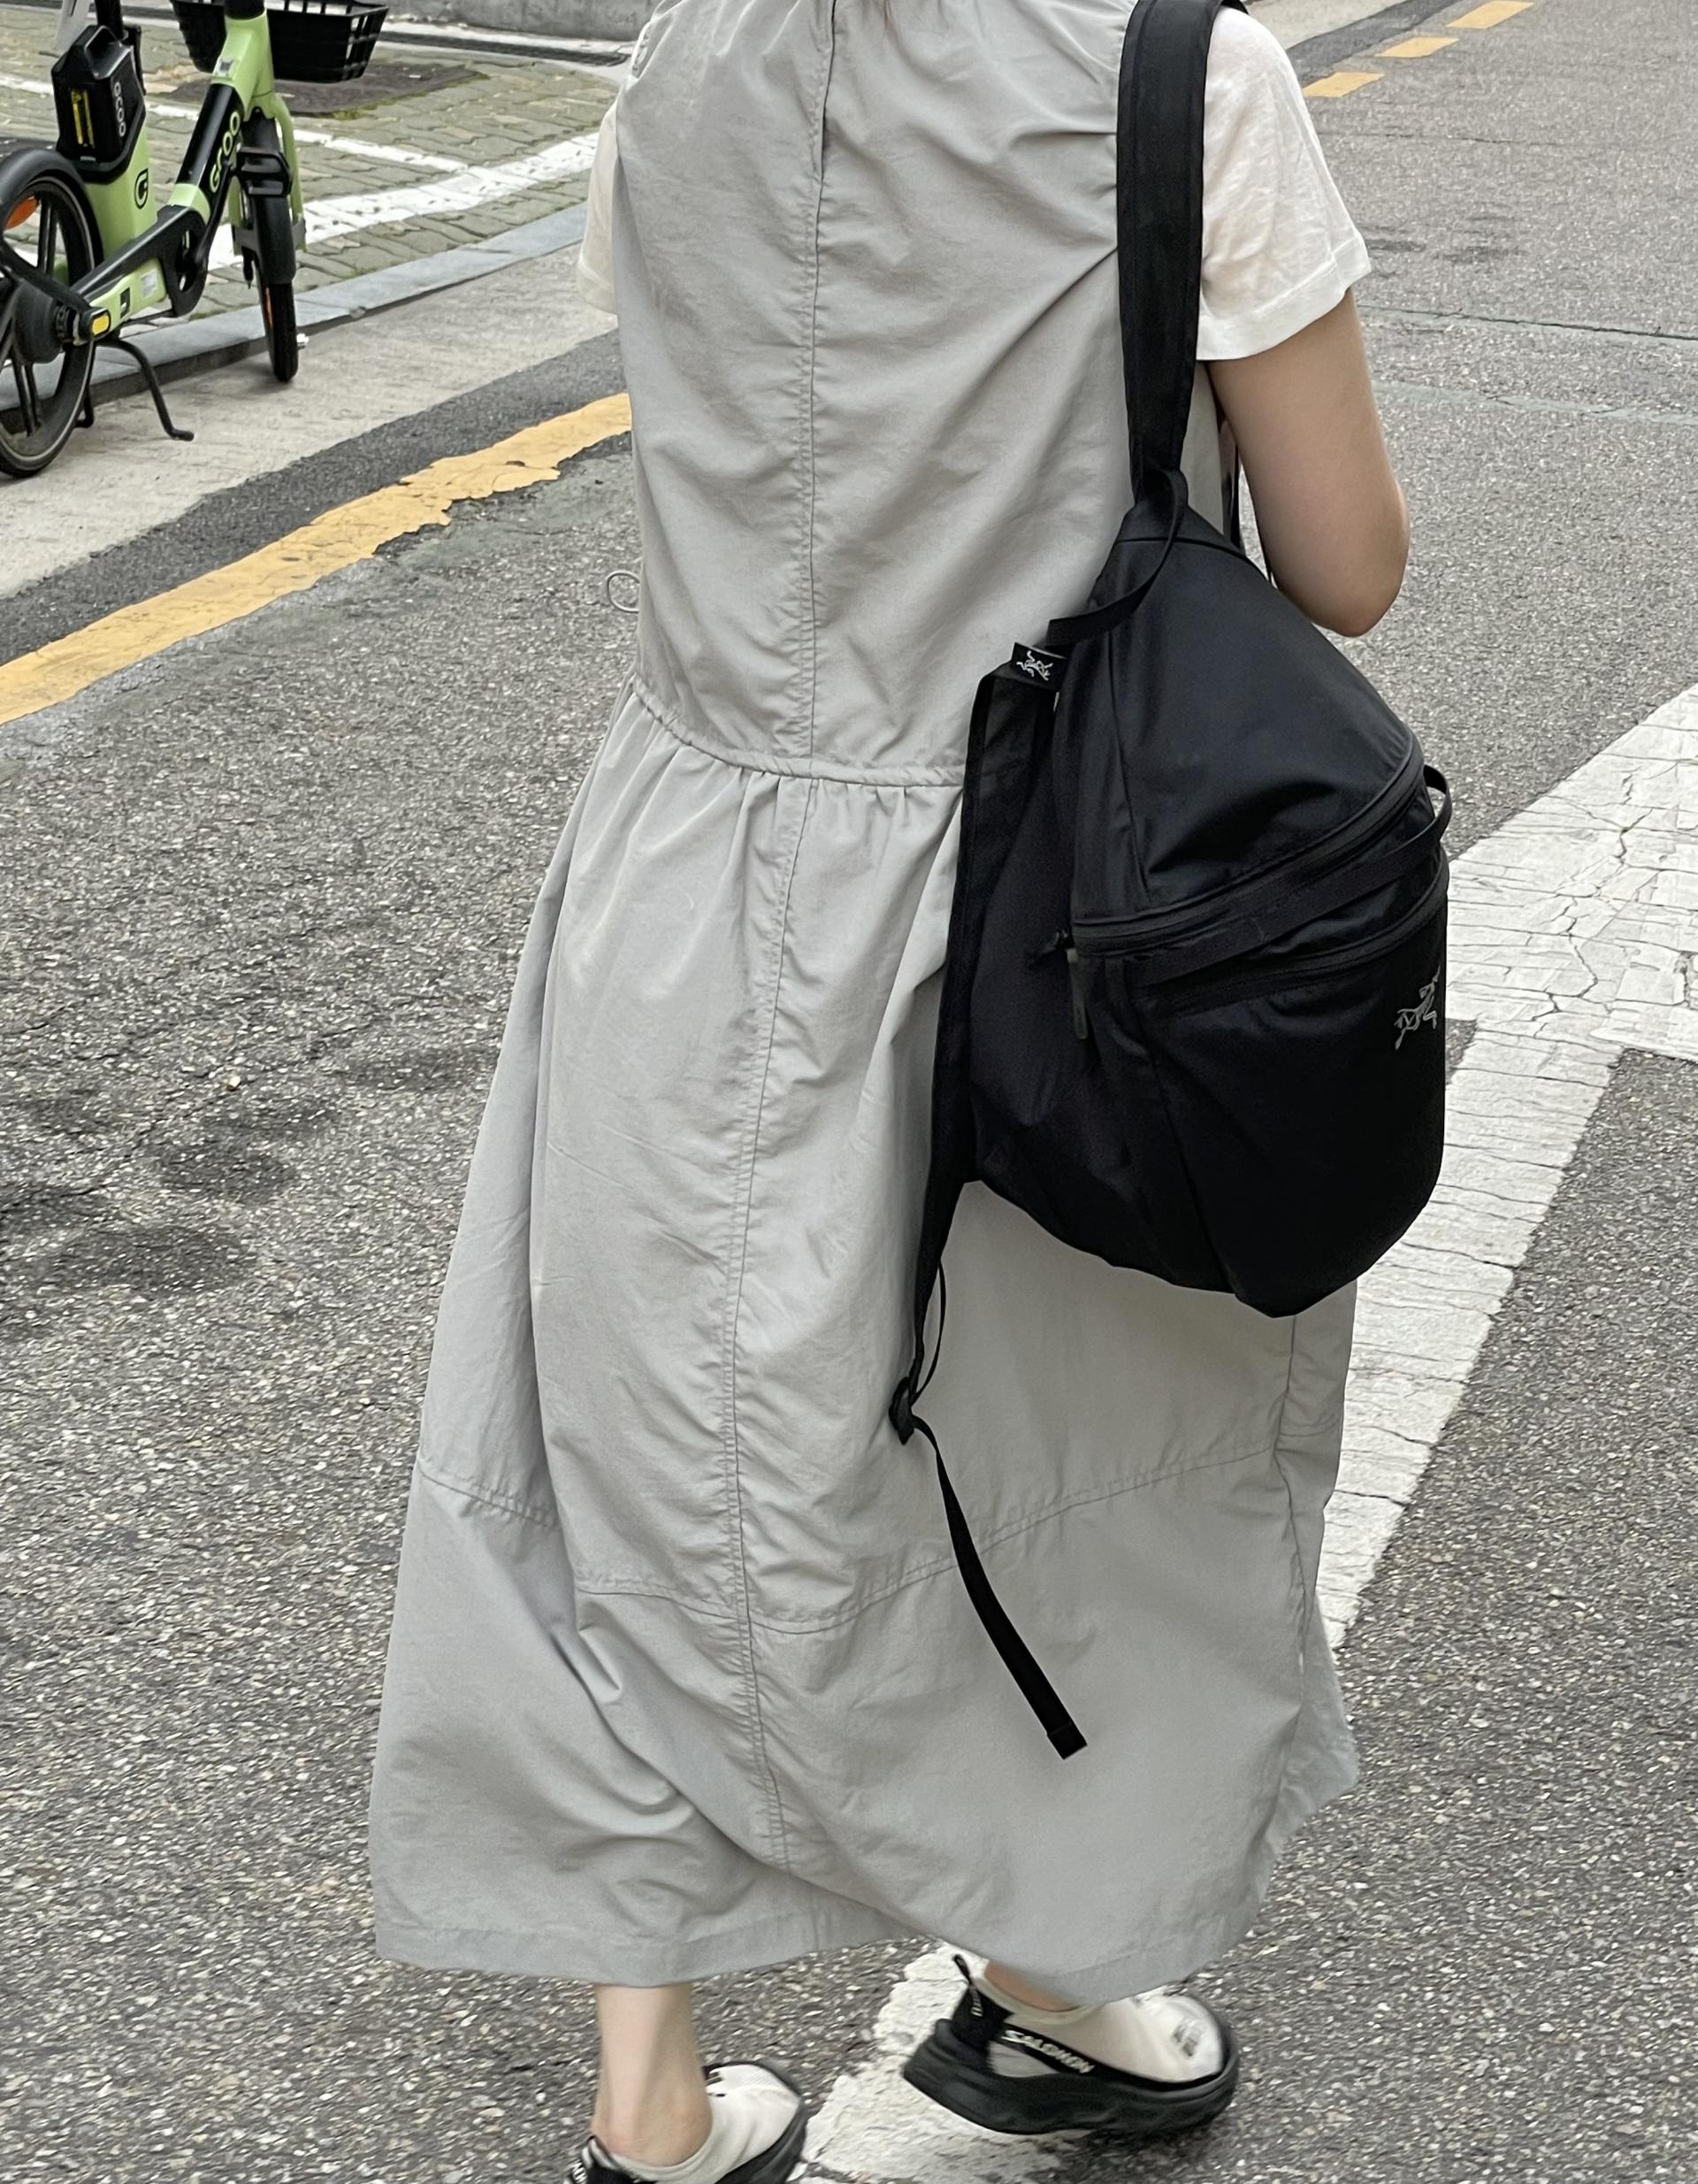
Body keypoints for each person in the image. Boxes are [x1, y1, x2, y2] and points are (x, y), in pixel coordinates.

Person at [368, 0, 1409, 2177]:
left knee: (636, 1454)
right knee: (1072, 1456)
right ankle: (1055, 1971)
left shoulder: (684, 56)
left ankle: (652, 2092)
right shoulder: (1183, 80)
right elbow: (1346, 564)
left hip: (687, 850)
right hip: (1045, 898)